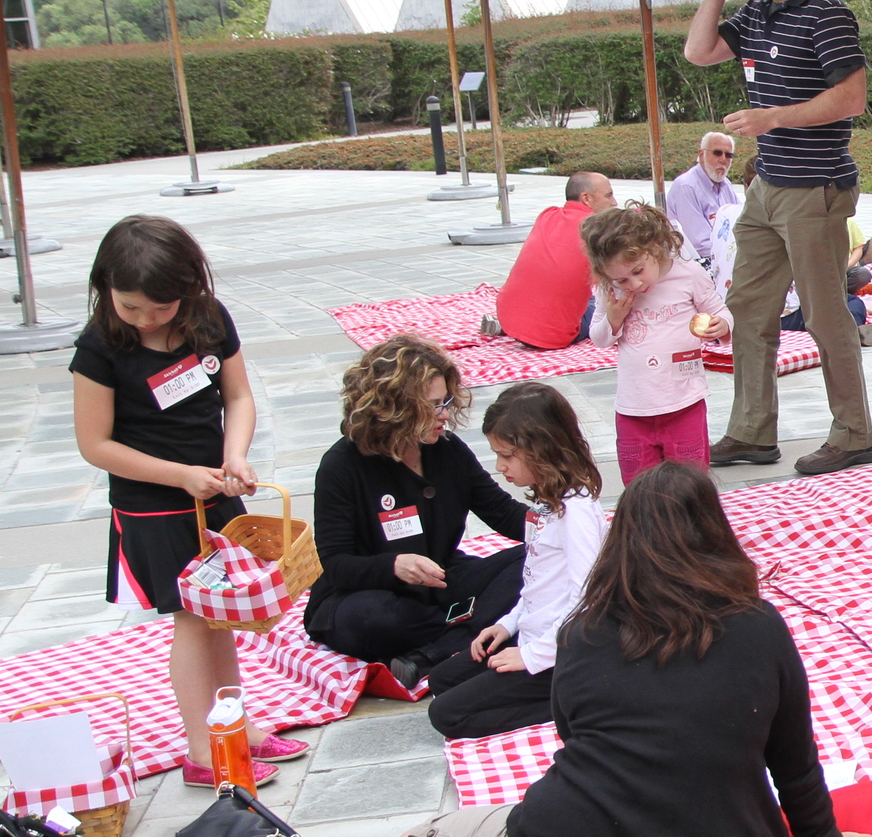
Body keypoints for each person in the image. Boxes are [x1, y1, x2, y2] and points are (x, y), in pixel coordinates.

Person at [246, 462, 872, 837]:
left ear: (621, 543)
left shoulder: (583, 633)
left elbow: (577, 740)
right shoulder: (761, 626)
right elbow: (795, 760)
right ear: (715, 534)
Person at [71, 216, 305, 787]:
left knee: (222, 618)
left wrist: (235, 456)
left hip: (213, 491)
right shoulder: (99, 346)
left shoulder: (208, 320)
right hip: (155, 505)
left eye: (161, 306)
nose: (147, 319)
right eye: (131, 307)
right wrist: (180, 476)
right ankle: (204, 751)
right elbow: (94, 444)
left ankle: (236, 727)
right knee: (194, 621)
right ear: (105, 290)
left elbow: (239, 396)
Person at [681, 0, 872, 477]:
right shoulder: (756, 11)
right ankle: (751, 431)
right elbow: (698, 50)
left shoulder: (826, 12)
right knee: (749, 306)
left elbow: (853, 97)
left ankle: (853, 434)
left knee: (823, 312)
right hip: (768, 184)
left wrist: (773, 118)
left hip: (815, 184)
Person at [303, 336, 529, 692]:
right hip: (371, 596)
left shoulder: (448, 450)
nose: (444, 415)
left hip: (441, 584)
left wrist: (560, 526)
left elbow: (503, 513)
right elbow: (336, 563)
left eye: (446, 402)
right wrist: (393, 566)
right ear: (395, 408)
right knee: (375, 619)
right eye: (433, 406)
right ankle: (473, 632)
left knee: (535, 559)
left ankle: (436, 651)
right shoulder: (341, 465)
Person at [425, 384, 605, 741]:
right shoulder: (547, 502)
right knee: (441, 679)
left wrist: (533, 656)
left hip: (561, 653)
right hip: (531, 634)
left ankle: (577, 701)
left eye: (506, 456)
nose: (499, 467)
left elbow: (587, 599)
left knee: (447, 714)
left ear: (543, 450)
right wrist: (508, 626)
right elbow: (536, 581)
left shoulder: (577, 512)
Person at [583, 203, 732, 482]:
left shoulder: (687, 274)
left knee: (689, 483)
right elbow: (599, 339)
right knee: (639, 485)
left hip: (684, 402)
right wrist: (614, 318)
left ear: (653, 248)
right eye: (622, 279)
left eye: (638, 270)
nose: (634, 284)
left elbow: (720, 311)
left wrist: (721, 326)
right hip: (633, 408)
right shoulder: (611, 289)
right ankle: (646, 526)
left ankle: (690, 525)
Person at [486, 172, 618, 350]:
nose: (614, 203)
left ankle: (510, 327)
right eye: (608, 195)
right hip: (555, 334)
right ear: (586, 198)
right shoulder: (598, 232)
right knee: (602, 303)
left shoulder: (546, 215)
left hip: (508, 317)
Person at [664, 131, 745, 272]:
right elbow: (700, 244)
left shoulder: (725, 184)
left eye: (729, 155)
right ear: (701, 154)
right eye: (717, 153)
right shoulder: (686, 187)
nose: (723, 159)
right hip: (696, 264)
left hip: (727, 257)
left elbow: (741, 221)